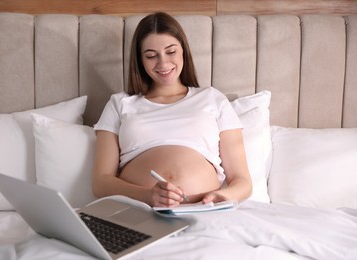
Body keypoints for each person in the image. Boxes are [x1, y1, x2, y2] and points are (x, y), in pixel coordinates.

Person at [93, 12, 252, 207]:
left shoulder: (212, 98)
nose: (163, 63)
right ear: (140, 61)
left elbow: (242, 181)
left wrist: (223, 197)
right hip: (139, 210)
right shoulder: (120, 104)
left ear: (183, 51)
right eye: (151, 56)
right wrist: (147, 195)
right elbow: (100, 182)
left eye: (171, 52)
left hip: (202, 210)